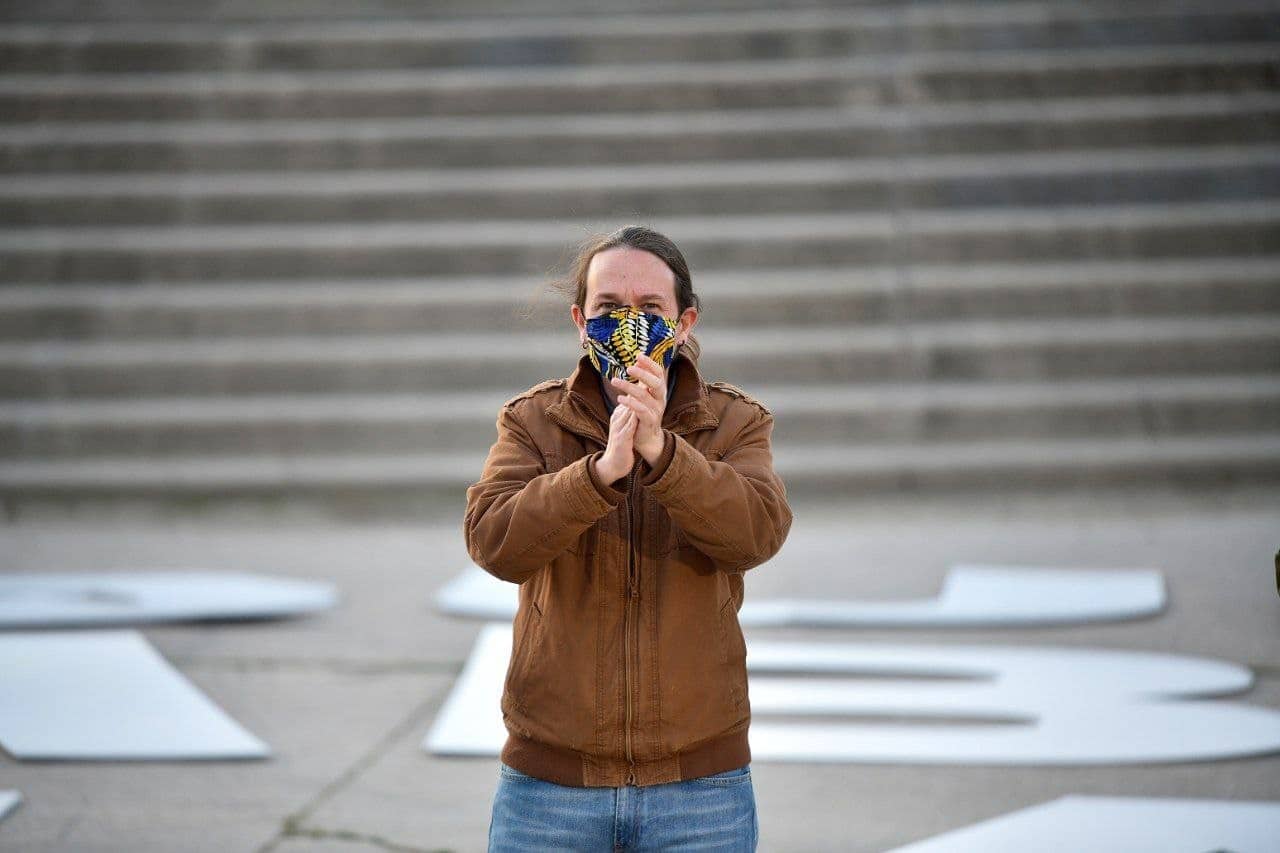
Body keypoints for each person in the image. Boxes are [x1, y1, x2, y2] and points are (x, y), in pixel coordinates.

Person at [464, 225, 793, 852]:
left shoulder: (735, 422)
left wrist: (663, 453)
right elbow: (494, 542)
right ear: (579, 320)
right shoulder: (532, 421)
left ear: (686, 321)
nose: (629, 325)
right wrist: (598, 474)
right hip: (549, 789)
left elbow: (756, 534)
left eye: (651, 310)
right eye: (609, 309)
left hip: (701, 787)